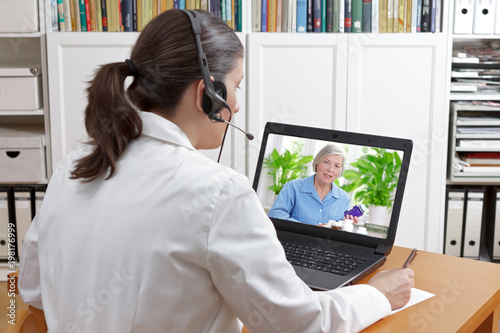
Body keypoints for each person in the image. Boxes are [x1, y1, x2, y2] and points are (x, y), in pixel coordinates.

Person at [18, 9, 414, 333]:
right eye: (235, 86)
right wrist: (377, 295)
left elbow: (32, 291)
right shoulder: (217, 190)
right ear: (206, 93)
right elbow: (300, 323)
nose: (237, 106)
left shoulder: (74, 166)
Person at [268, 144, 358, 225]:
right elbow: (275, 215)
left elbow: (340, 232)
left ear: (339, 171)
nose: (330, 169)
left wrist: (347, 224)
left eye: (336, 166)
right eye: (326, 162)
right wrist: (310, 228)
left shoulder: (343, 199)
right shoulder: (292, 188)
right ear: (317, 164)